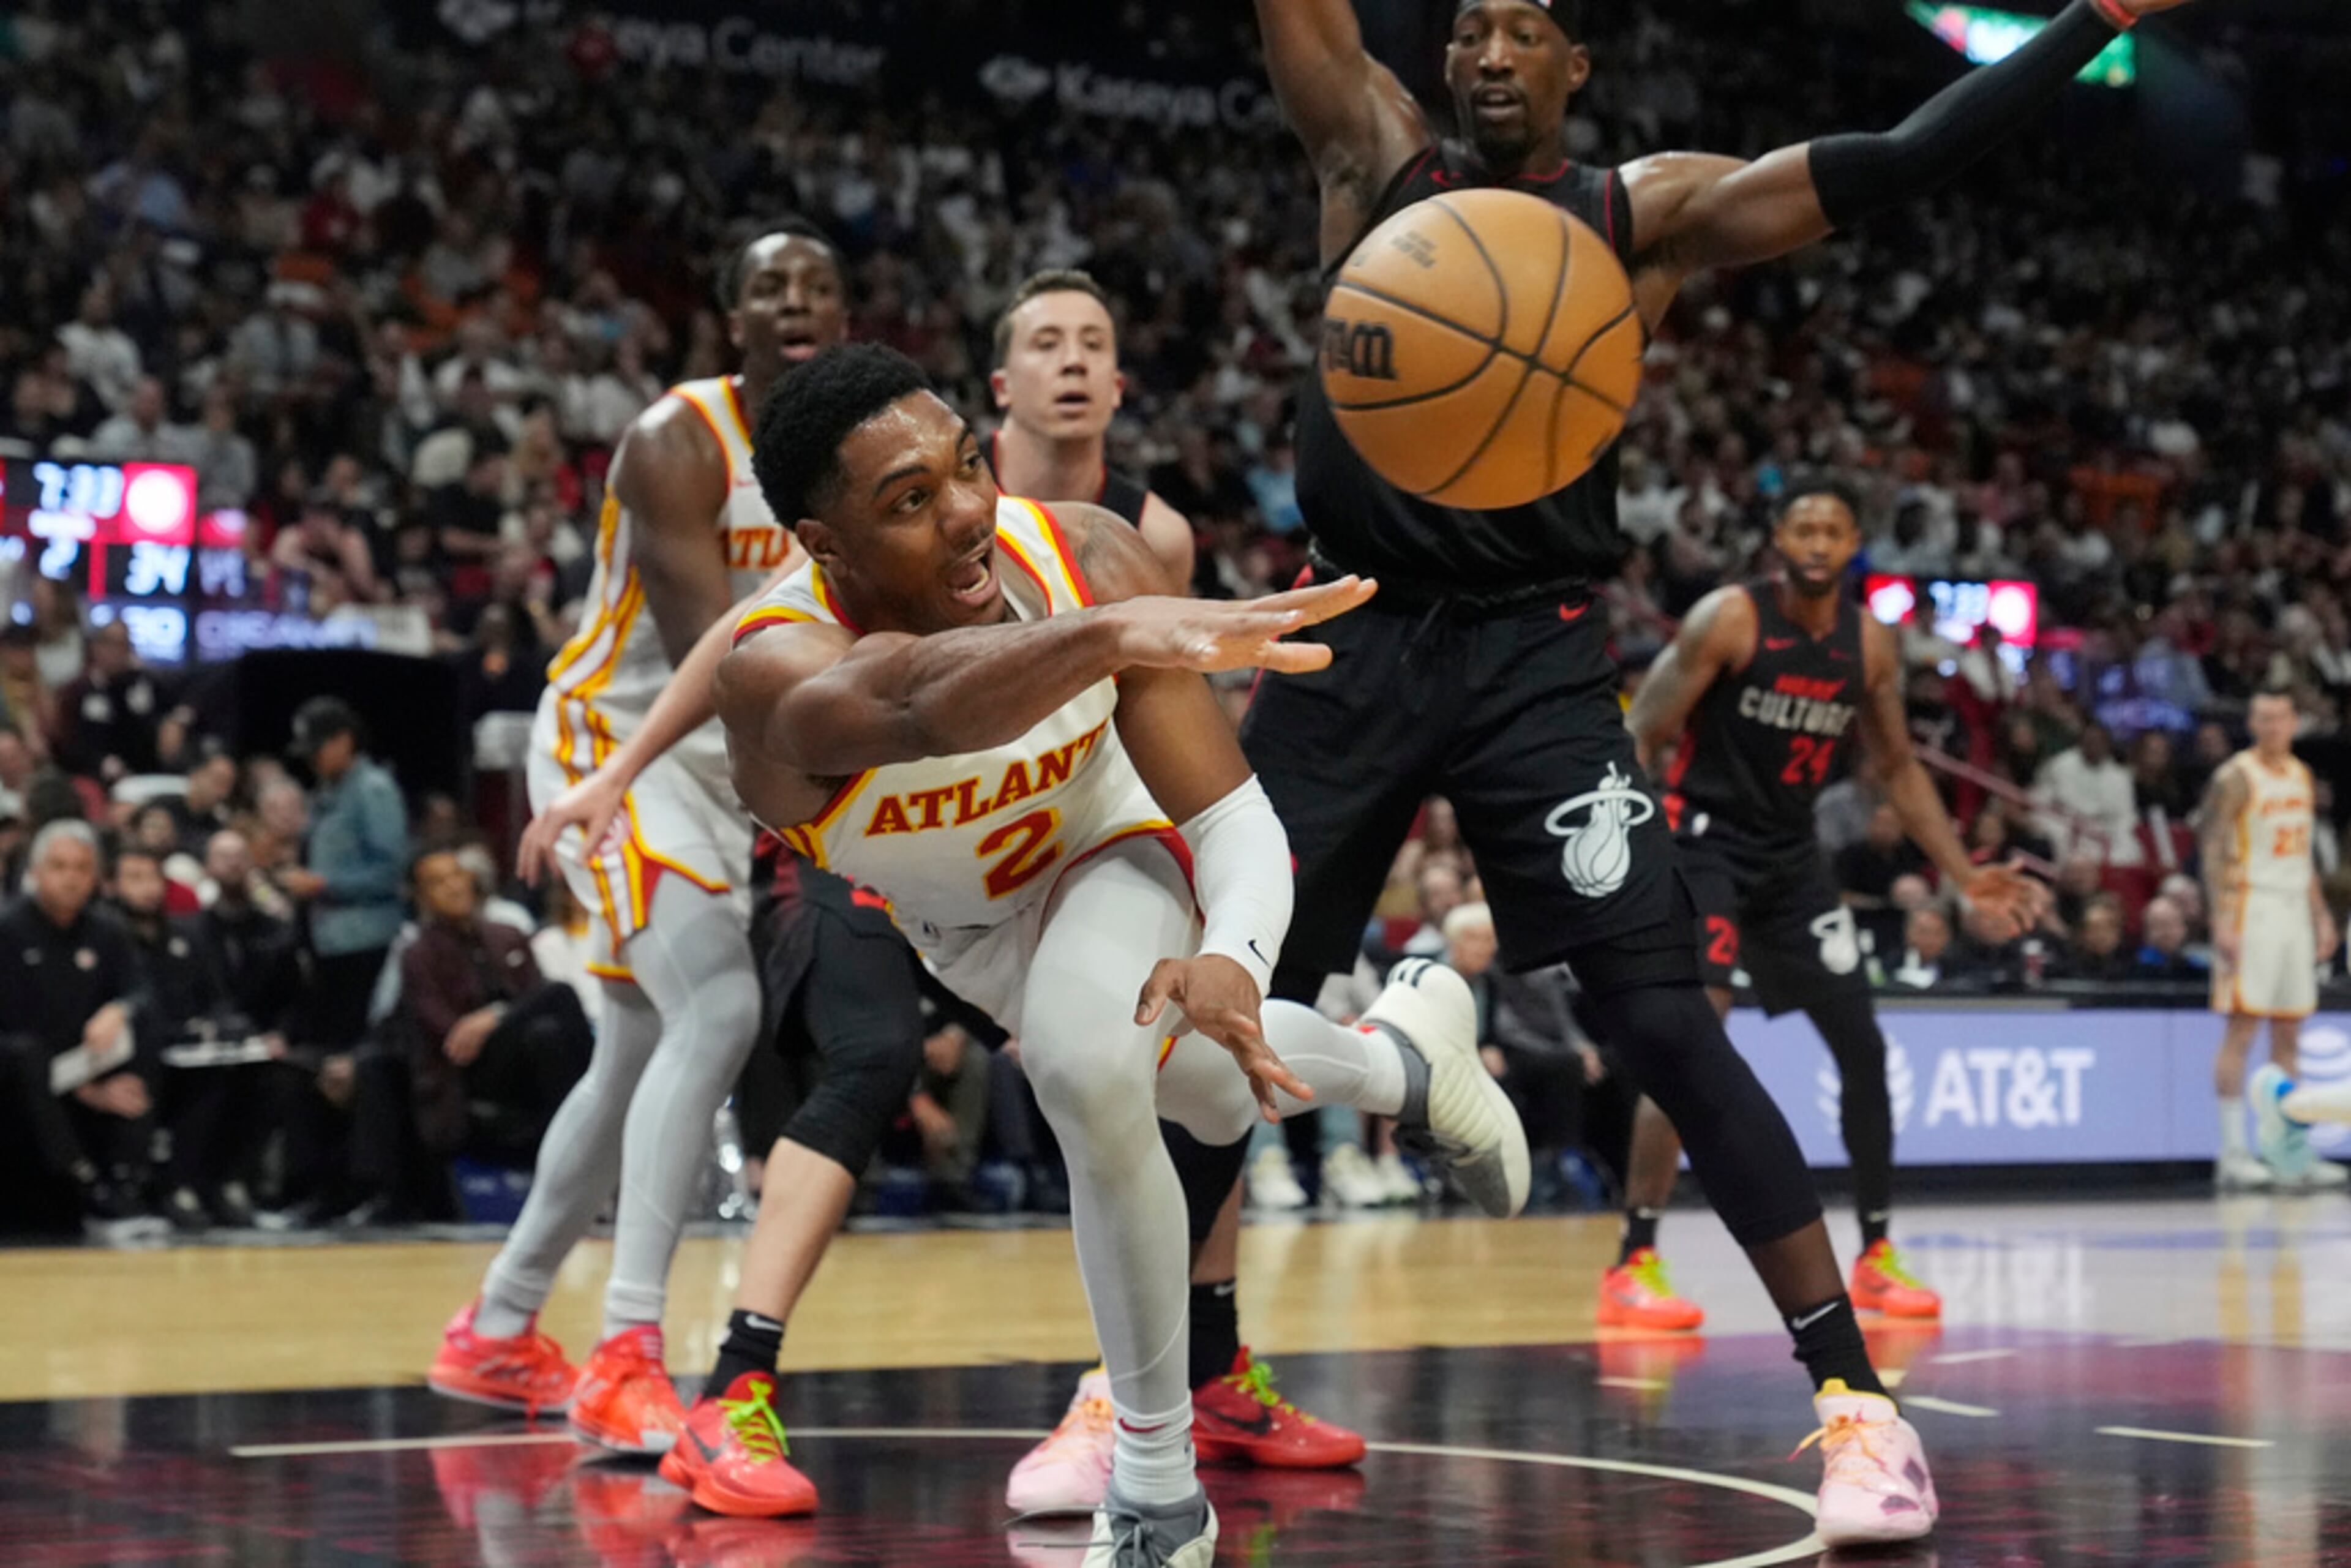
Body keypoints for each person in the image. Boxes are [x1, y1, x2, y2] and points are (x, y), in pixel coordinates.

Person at [1231, 0, 2189, 1538]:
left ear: (1573, 67)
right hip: (1347, 625)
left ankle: (1858, 1407)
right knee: (1219, 1010)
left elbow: (1894, 156)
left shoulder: (1644, 213)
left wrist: (2095, 19)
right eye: (1464, 26)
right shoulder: (1368, 148)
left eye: (1519, 30)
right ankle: (1178, 1377)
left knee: (1668, 1020)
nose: (1483, 53)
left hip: (1535, 649)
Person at [699, 343, 1523, 1562]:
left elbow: (1232, 814)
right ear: (826, 547)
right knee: (1195, 1082)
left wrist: (1237, 950)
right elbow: (923, 702)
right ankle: (1402, 1058)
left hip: (1107, 841)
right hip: (967, 931)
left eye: (966, 465)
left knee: (1089, 1063)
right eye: (910, 502)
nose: (969, 509)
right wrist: (1111, 636)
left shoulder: (1087, 551)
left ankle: (1153, 1488)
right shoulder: (777, 667)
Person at [431, 222, 847, 1454]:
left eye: (818, 284)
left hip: (738, 769)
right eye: (768, 284)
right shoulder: (679, 439)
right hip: (628, 754)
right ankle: (626, 1348)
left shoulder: (858, 451)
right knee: (714, 1012)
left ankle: (500, 1325)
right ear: (732, 320)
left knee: (630, 1054)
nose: (795, 300)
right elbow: (715, 654)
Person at [1601, 484, 2039, 1330]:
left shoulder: (1869, 642)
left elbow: (1901, 768)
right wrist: (1640, 843)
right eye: (1803, 527)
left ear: (1853, 546)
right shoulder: (1728, 619)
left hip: (1792, 859)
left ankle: (1876, 1254)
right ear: (1777, 538)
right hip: (1705, 844)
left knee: (1865, 1046)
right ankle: (1633, 1261)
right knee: (1695, 1044)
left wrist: (1962, 871)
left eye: (1833, 530)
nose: (1816, 541)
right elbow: (1640, 734)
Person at [2202, 688, 2340, 1190]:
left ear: (2295, 721)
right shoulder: (2235, 775)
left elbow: (2302, 857)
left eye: (2280, 717)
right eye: (2262, 717)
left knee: (2289, 1034)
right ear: (2252, 722)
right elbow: (2213, 848)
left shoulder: (2302, 775)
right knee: (2243, 1028)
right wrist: (2221, 920)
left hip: (2292, 912)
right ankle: (2233, 1151)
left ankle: (2288, 1152)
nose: (2271, 725)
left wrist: (2321, 916)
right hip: (2251, 904)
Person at [989, 269, 1194, 591]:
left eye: (1093, 344)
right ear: (1002, 387)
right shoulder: (943, 503)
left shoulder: (1159, 539)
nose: (1074, 361)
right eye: (1047, 344)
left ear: (1117, 388)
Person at [0, 821, 157, 1238]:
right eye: (59, 866)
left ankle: (134, 1185)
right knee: (25, 1054)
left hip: (83, 1063)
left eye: (82, 867)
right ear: (35, 872)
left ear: (95, 876)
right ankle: (85, 1183)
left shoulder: (108, 930)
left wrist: (120, 1009)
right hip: (20, 1081)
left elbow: (141, 991)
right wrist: (84, 1090)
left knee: (146, 1032)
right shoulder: (8, 929)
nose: (71, 877)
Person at [396, 844, 593, 1168]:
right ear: (421, 897)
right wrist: (497, 1021)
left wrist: (494, 1016)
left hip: (525, 1052)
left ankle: (581, 1152)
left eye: (457, 875)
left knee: (548, 1034)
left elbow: (534, 1000)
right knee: (559, 993)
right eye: (438, 882)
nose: (454, 886)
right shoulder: (418, 954)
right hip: (472, 1066)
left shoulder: (508, 934)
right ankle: (598, 1122)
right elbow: (452, 1035)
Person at [282, 696, 410, 1049]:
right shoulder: (328, 791)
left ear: (344, 740)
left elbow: (391, 871)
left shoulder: (373, 789)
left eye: (317, 748)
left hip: (366, 939)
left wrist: (325, 885)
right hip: (329, 940)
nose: (311, 759)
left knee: (352, 1047)